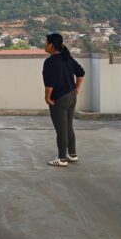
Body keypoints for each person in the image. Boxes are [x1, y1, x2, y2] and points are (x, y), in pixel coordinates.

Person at [42, 33, 85, 167]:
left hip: (59, 99)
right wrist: (77, 88)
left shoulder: (50, 62)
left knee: (61, 130)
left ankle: (62, 158)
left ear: (52, 45)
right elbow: (81, 72)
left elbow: (49, 84)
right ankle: (72, 154)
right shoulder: (67, 57)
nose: (45, 45)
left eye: (46, 42)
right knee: (68, 127)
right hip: (71, 96)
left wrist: (47, 98)